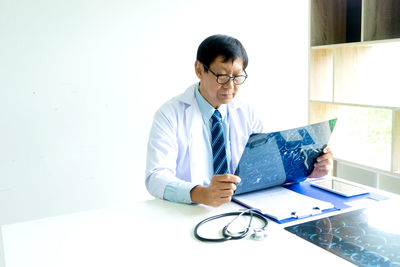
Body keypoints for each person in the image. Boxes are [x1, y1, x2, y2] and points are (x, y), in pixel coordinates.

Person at [145, 34, 333, 207]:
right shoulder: (170, 114)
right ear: (199, 69)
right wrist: (201, 194)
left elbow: (267, 166)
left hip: (242, 206)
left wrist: (308, 171)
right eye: (222, 76)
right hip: (191, 209)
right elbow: (155, 177)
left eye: (237, 77)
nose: (230, 86)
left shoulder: (246, 111)